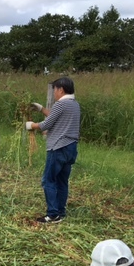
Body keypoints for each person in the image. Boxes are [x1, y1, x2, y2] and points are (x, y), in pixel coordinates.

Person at [26, 77, 80, 223]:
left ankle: (52, 214)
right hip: (71, 147)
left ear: (61, 90)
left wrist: (32, 125)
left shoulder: (60, 104)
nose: (54, 93)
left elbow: (45, 124)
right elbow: (57, 117)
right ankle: (61, 212)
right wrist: (41, 109)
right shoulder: (74, 104)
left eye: (55, 90)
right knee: (62, 181)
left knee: (48, 180)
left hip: (58, 147)